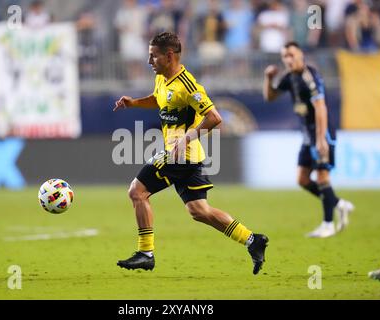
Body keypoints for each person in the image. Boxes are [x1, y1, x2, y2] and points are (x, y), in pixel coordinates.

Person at [113, 32, 268, 274]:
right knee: (199, 211)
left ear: (169, 55)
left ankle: (146, 253)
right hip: (185, 157)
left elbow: (214, 118)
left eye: (153, 56)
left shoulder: (189, 86)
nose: (149, 61)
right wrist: (133, 103)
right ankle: (252, 240)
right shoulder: (162, 79)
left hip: (180, 155)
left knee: (137, 191)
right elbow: (159, 100)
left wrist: (186, 137)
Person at [263, 41, 354, 238]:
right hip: (307, 136)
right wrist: (268, 78)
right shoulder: (289, 77)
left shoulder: (309, 76)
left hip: (321, 134)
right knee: (302, 179)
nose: (288, 59)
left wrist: (321, 140)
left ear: (301, 55)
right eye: (285, 56)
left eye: (291, 55)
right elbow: (270, 97)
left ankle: (328, 224)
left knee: (322, 178)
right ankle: (339, 204)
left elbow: (321, 107)